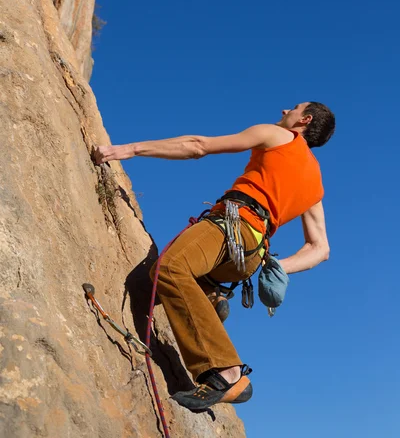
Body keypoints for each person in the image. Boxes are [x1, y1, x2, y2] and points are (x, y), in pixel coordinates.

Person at [94, 101, 335, 410]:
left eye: (294, 107)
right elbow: (320, 249)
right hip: (248, 256)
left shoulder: (277, 136)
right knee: (169, 275)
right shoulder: (314, 182)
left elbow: (198, 146)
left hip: (231, 227)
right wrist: (277, 266)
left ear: (305, 119)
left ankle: (226, 372)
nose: (284, 108)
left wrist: (129, 149)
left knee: (169, 267)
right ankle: (209, 294)